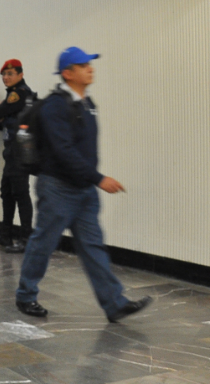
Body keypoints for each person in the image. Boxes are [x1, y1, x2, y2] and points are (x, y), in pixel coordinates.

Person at [15, 47, 151, 322]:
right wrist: (99, 178)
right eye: (83, 65)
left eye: (89, 64)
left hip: (84, 190)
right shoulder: (55, 106)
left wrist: (91, 180)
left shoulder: (87, 104)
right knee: (44, 243)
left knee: (93, 246)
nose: (90, 68)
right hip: (58, 188)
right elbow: (64, 151)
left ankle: (114, 304)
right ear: (68, 73)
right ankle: (25, 295)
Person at [0, 59, 37, 253]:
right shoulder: (14, 96)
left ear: (20, 75)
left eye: (10, 74)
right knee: (7, 192)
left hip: (20, 152)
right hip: (12, 150)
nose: (6, 78)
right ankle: (6, 235)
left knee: (21, 194)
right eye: (4, 75)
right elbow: (4, 121)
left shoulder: (19, 93)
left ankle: (26, 238)